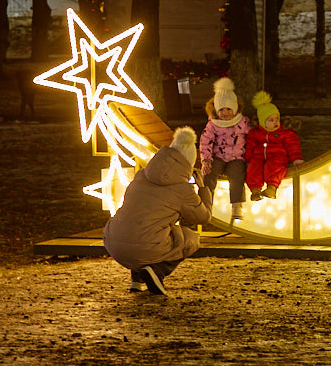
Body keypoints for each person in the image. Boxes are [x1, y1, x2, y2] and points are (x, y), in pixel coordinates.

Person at [102, 126, 211, 296]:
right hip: (144, 246)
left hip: (112, 241)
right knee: (191, 239)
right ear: (188, 164)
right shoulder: (182, 189)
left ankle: (137, 280)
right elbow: (204, 217)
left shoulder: (141, 175)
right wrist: (203, 189)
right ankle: (157, 271)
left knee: (143, 227)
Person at [198, 77, 251, 221]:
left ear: (235, 108)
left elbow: (252, 137)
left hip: (236, 158)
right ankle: (205, 204)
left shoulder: (243, 122)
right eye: (221, 110)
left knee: (237, 176)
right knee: (208, 175)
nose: (225, 113)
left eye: (229, 109)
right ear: (216, 110)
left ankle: (237, 205)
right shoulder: (213, 124)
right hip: (218, 157)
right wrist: (206, 160)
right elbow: (205, 141)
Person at [245, 90, 304, 200]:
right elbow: (250, 146)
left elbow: (293, 145)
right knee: (254, 167)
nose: (276, 122)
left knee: (274, 166)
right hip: (259, 156)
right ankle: (255, 190)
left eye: (277, 118)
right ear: (263, 122)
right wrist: (248, 160)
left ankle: (272, 188)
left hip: (278, 155)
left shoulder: (284, 132)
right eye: (271, 120)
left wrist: (296, 159)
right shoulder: (255, 133)